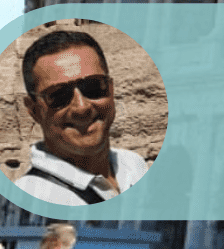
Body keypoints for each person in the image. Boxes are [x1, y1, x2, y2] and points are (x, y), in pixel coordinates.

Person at [15, 28, 148, 205]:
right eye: (58, 95)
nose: (81, 107)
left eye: (93, 87)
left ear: (111, 89)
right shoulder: (31, 196)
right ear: (34, 110)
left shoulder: (133, 165)